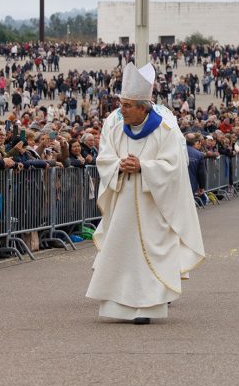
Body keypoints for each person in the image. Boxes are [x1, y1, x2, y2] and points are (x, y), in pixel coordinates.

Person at [86, 63, 205, 324]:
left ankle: (147, 307)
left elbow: (174, 168)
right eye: (121, 104)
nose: (122, 110)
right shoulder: (117, 129)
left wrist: (144, 167)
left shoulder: (166, 132)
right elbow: (104, 159)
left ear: (143, 107)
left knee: (149, 255)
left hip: (153, 207)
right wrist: (119, 166)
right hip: (123, 205)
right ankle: (118, 306)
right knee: (122, 254)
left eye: (127, 106)